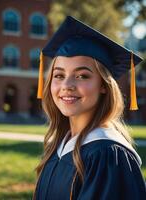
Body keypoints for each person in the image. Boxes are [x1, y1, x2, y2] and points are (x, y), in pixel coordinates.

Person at [33, 16, 146, 200]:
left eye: (82, 76)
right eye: (59, 75)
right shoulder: (58, 147)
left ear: (103, 85)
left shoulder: (107, 154)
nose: (66, 85)